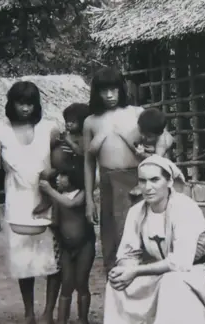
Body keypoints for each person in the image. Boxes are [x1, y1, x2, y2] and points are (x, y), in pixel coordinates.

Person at [100, 155, 205, 324]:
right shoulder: (137, 211)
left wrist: (135, 271)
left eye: (155, 180)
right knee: (118, 282)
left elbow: (180, 262)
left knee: (173, 283)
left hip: (203, 269)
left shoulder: (184, 207)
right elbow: (129, 252)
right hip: (163, 268)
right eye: (143, 181)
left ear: (169, 182)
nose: (148, 187)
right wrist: (125, 269)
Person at [83, 67, 173, 275]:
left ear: (121, 89)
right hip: (108, 184)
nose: (109, 95)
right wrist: (89, 199)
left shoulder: (136, 112)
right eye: (104, 91)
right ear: (96, 93)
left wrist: (155, 157)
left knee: (147, 236)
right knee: (115, 240)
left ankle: (148, 293)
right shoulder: (91, 122)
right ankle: (119, 295)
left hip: (140, 181)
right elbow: (88, 163)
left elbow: (165, 136)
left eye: (113, 90)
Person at [0, 81, 61, 324]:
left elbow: (62, 164)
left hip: (48, 197)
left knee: (52, 257)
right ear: (11, 104)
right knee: (22, 259)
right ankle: (29, 312)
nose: (26, 109)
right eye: (21, 103)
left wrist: (51, 195)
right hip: (16, 199)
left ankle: (48, 313)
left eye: (30, 103)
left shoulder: (49, 129)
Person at [38, 167, 95, 324]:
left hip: (84, 245)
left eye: (63, 176)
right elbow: (55, 220)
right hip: (65, 246)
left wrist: (50, 191)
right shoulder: (58, 197)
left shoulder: (82, 194)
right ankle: (61, 321)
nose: (58, 179)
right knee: (67, 283)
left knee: (81, 282)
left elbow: (71, 204)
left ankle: (83, 320)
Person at [32, 102, 90, 217]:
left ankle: (54, 210)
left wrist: (69, 142)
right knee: (44, 174)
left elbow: (82, 153)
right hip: (60, 169)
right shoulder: (66, 135)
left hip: (73, 171)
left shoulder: (82, 137)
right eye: (67, 121)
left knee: (61, 194)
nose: (68, 124)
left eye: (73, 122)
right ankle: (46, 200)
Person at [127, 108, 172, 201]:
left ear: (159, 134)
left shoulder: (163, 140)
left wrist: (143, 154)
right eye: (142, 133)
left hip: (158, 161)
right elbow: (131, 141)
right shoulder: (142, 128)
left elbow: (157, 160)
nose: (144, 137)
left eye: (149, 136)